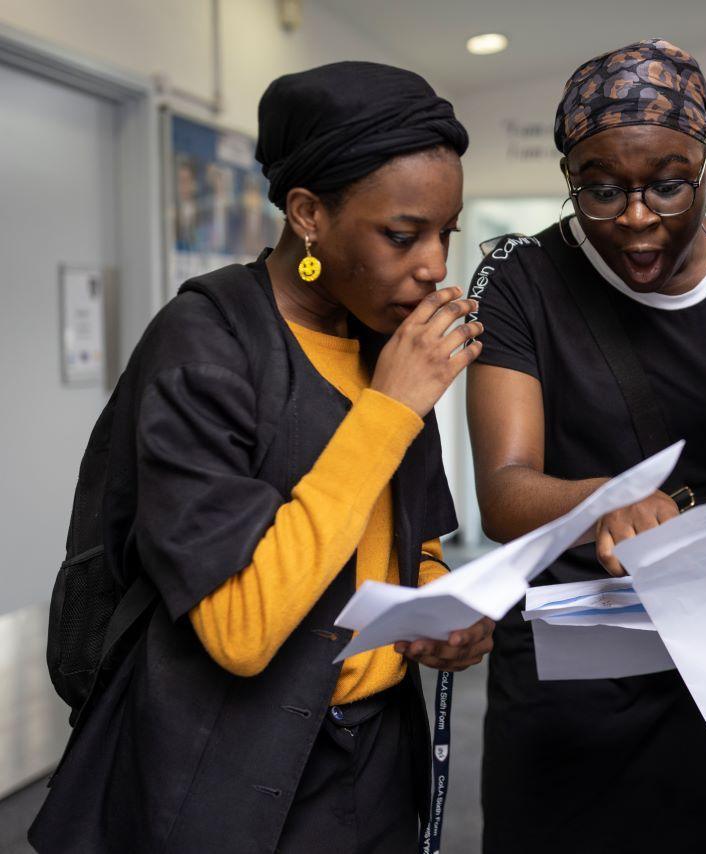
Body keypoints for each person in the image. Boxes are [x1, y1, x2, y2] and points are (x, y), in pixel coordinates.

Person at [31, 61, 493, 853]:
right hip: (228, 773)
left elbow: (406, 540)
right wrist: (388, 409)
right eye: (402, 234)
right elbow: (241, 633)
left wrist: (442, 609)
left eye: (444, 233)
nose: (434, 267)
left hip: (376, 759)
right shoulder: (205, 344)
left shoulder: (378, 335)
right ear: (308, 214)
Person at [467, 38, 706, 854]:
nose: (635, 218)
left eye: (667, 184)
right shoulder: (523, 280)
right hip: (563, 647)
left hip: (703, 641)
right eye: (600, 190)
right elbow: (504, 490)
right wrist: (607, 504)